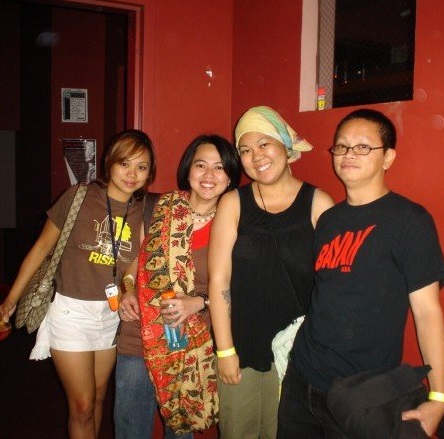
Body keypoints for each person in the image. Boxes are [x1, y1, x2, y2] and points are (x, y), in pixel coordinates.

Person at [277, 108, 444, 438]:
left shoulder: (409, 221)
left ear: (388, 158)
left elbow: (428, 313)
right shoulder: (329, 220)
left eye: (362, 146)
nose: (348, 153)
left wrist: (439, 397)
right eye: (342, 146)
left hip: (361, 393)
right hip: (302, 378)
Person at [0, 129, 156, 439]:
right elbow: (41, 248)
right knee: (82, 405)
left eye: (141, 167)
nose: (132, 174)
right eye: (125, 163)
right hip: (71, 313)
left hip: (111, 316)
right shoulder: (79, 197)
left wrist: (128, 293)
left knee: (97, 398)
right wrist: (10, 300)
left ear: (150, 173)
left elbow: (132, 269)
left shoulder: (144, 212)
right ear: (109, 162)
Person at [208, 106, 334, 439]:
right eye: (245, 150)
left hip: (299, 353)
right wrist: (225, 350)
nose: (256, 156)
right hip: (242, 348)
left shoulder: (319, 203)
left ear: (285, 146)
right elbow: (219, 280)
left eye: (264, 144)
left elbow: (335, 286)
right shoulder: (233, 203)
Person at [115, 134, 242, 438]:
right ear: (188, 169)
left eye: (219, 167)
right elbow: (134, 266)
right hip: (140, 333)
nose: (208, 175)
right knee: (130, 428)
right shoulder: (158, 207)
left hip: (191, 341)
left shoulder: (235, 222)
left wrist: (198, 302)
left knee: (181, 431)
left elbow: (238, 287)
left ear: (230, 177)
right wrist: (128, 290)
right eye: (201, 165)